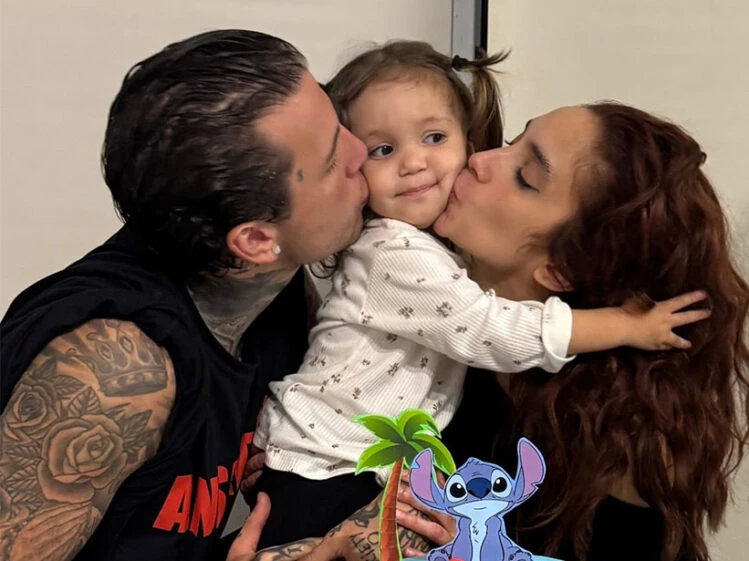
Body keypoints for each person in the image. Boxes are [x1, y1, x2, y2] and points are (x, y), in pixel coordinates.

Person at [248, 41, 710, 550]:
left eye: (525, 176)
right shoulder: (403, 267)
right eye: (511, 141)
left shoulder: (602, 463)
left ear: (560, 270)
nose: (481, 158)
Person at [0, 29, 369, 561]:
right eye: (333, 161)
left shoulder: (278, 289)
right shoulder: (115, 369)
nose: (361, 152)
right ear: (255, 241)